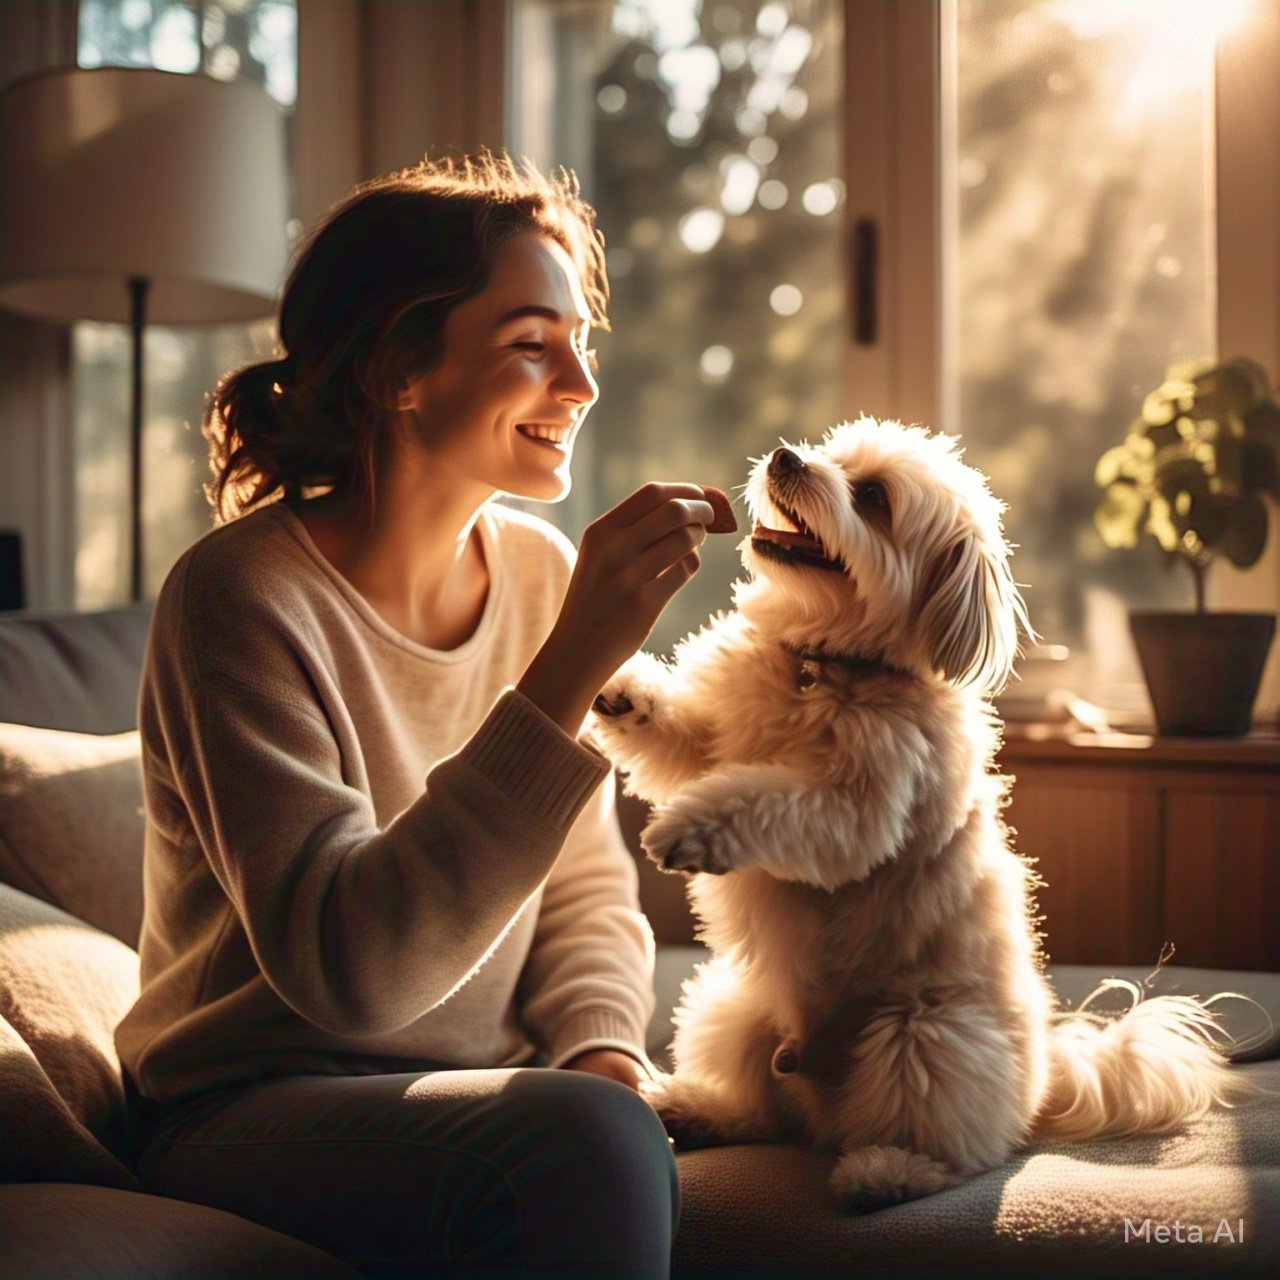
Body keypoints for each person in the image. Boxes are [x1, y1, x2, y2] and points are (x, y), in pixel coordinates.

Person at [115, 152, 717, 1279]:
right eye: (531, 344)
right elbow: (352, 971)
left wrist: (599, 1048)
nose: (581, 384)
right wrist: (575, 661)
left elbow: (579, 884)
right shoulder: (239, 598)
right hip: (244, 1107)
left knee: (612, 1114)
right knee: (580, 1145)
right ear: (399, 367)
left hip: (469, 1084)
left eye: (581, 340)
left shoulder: (536, 573)